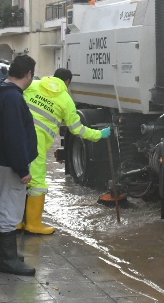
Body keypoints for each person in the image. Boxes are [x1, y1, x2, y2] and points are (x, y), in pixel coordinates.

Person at [20, 68, 110, 234]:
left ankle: (15, 221)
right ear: (68, 82)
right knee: (37, 182)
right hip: (36, 144)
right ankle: (33, 224)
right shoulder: (65, 99)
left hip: (16, 135)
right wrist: (99, 135)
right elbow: (78, 130)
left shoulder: (34, 85)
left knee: (16, 177)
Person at [0, 55, 38, 276]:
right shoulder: (13, 98)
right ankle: (8, 260)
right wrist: (22, 169)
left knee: (0, 203)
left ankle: (1, 254)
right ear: (28, 75)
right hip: (9, 162)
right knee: (10, 208)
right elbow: (14, 136)